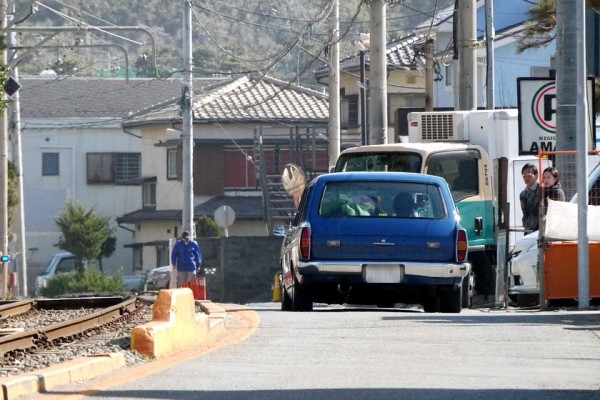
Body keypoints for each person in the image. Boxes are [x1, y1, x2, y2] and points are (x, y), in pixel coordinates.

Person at [519, 163, 540, 233]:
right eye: (524, 176)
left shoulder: (542, 190)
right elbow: (525, 213)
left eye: (529, 175)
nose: (526, 178)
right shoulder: (523, 194)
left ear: (536, 176)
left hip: (540, 229)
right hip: (528, 229)